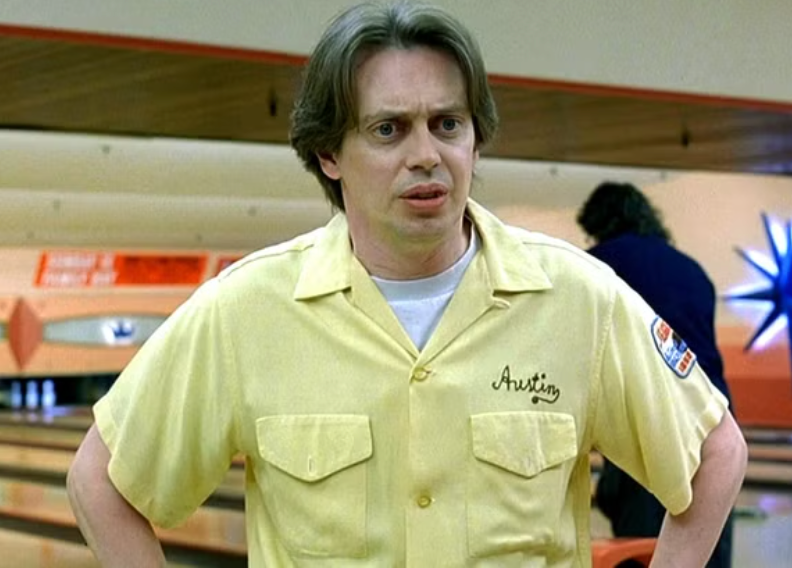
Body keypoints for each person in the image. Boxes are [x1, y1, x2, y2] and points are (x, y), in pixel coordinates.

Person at [67, 2, 747, 566]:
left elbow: (716, 451)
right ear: (329, 153)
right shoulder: (245, 311)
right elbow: (101, 480)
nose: (426, 155)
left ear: (474, 140)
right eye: (389, 129)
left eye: (447, 124)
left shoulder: (576, 297)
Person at [578, 181, 736, 568]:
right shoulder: (692, 270)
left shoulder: (597, 265)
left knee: (645, 551)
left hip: (650, 426)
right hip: (717, 424)